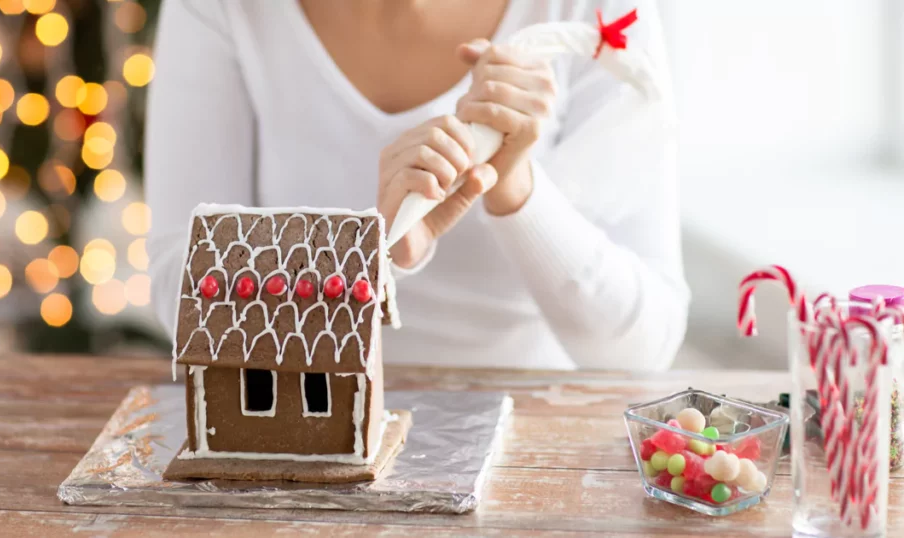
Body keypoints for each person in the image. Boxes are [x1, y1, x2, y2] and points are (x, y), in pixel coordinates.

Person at [145, 0, 689, 371]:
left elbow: (644, 345)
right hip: (305, 445)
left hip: (535, 455)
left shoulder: (599, 14)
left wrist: (516, 187)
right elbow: (182, 297)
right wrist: (369, 257)